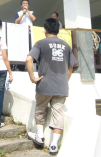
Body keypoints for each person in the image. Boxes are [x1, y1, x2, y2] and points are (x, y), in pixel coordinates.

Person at [26, 18, 77, 155]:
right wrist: (64, 81)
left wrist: (33, 78)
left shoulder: (41, 43)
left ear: (45, 30)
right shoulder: (66, 45)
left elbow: (28, 59)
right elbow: (71, 66)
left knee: (40, 109)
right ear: (58, 30)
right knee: (58, 113)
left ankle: (40, 136)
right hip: (61, 86)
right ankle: (54, 145)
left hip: (45, 84)